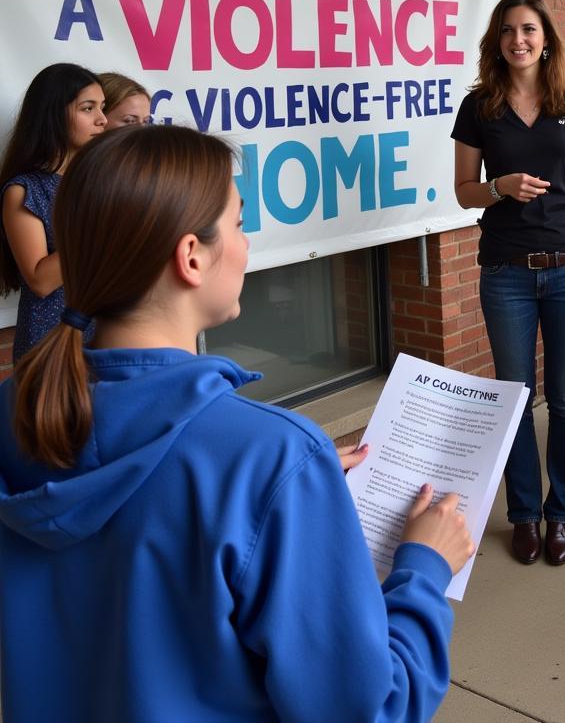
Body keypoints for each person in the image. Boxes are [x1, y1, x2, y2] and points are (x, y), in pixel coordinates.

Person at [0, 124, 473, 723]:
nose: (247, 244)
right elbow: (372, 708)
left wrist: (288, 480)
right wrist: (424, 568)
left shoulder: (15, 409)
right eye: (240, 222)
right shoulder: (269, 458)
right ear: (191, 256)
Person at [451, 0, 565, 567]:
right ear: (496, 42)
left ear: (546, 39)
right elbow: (464, 190)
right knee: (515, 400)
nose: (518, 40)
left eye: (528, 30)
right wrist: (501, 187)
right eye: (507, 31)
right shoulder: (480, 107)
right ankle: (524, 514)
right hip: (505, 272)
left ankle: (561, 513)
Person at [0, 63, 106, 362]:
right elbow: (40, 280)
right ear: (53, 114)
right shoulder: (24, 190)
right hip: (51, 342)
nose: (102, 119)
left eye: (103, 107)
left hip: (104, 334)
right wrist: (104, 225)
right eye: (88, 108)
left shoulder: (95, 182)